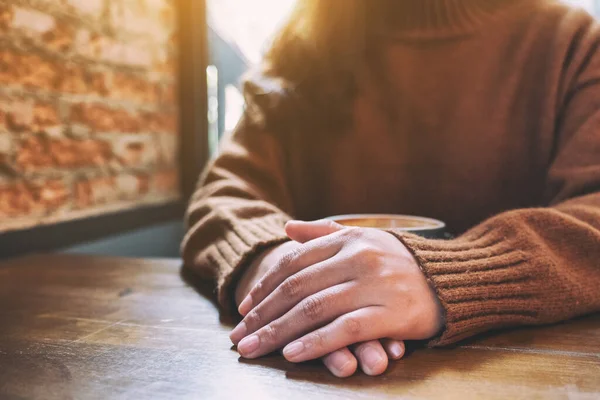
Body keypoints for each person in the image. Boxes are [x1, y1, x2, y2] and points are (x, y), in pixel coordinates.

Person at [181, 0, 600, 378]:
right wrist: (285, 272)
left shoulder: (572, 42)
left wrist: (449, 275)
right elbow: (224, 194)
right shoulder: (303, 42)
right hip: (317, 371)